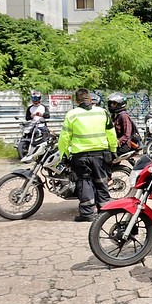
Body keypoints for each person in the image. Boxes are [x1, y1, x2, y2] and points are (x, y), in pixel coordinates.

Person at [57, 88, 117, 222]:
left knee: (85, 183)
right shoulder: (102, 112)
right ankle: (105, 211)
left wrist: (64, 155)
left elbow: (64, 138)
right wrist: (113, 150)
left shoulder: (72, 115)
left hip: (80, 155)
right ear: (90, 99)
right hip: (100, 154)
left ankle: (87, 214)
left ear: (76, 101)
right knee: (101, 181)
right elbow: (111, 134)